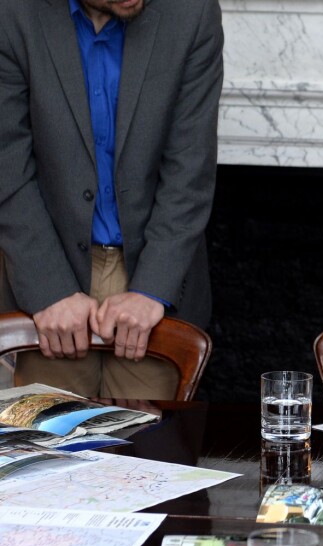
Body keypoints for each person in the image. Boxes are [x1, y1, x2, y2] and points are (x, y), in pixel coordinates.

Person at [0, 0, 224, 398]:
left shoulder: (192, 12)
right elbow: (6, 164)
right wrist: (49, 289)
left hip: (153, 274)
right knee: (51, 449)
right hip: (50, 269)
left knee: (150, 451)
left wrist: (152, 289)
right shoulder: (12, 12)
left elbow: (189, 168)